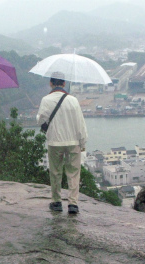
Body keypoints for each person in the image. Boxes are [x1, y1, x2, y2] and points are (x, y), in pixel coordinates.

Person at [37, 72, 88, 214]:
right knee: (73, 173)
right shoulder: (73, 100)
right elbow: (80, 124)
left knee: (55, 172)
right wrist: (82, 142)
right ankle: (73, 203)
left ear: (51, 83)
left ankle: (56, 201)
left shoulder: (46, 100)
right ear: (64, 83)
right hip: (73, 141)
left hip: (55, 141)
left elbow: (40, 120)